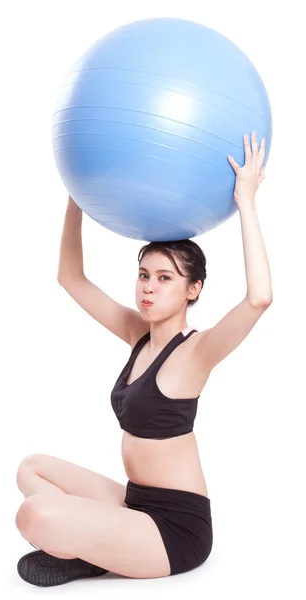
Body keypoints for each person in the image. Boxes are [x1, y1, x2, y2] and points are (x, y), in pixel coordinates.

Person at [15, 132, 272, 587]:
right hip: (137, 504)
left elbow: (259, 299)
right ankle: (102, 543)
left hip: (176, 532)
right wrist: (78, 194)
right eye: (144, 275)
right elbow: (70, 277)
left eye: (164, 278)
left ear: (193, 290)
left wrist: (246, 201)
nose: (148, 287)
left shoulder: (197, 352)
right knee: (31, 468)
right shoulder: (137, 334)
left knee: (34, 515)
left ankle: (94, 548)